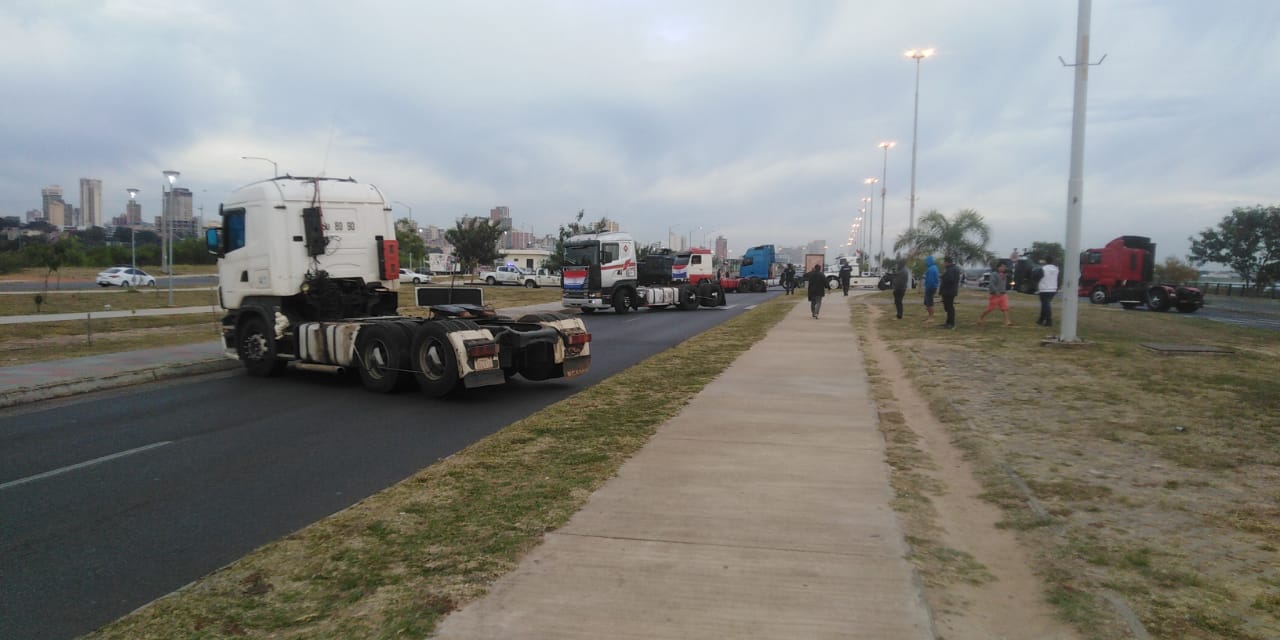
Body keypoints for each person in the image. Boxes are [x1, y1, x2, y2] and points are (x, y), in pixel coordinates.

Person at [977, 262, 1014, 326]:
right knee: (990, 308)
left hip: (1003, 294)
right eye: (1002, 267)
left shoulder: (1004, 275)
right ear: (998, 267)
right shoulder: (994, 274)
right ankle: (980, 318)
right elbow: (992, 284)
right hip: (995, 294)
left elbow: (1010, 273)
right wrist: (995, 291)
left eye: (1004, 267)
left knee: (1005, 307)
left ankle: (1007, 321)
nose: (1003, 268)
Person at [1036, 255, 1060, 327]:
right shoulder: (1056, 269)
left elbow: (1037, 277)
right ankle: (1041, 319)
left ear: (1046, 261)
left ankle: (1048, 320)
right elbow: (1059, 278)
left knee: (1046, 304)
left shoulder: (1043, 268)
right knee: (1045, 304)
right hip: (1053, 288)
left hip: (1044, 288)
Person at [939, 255, 961, 329]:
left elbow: (950, 280)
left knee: (949, 307)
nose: (943, 264)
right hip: (950, 290)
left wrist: (943, 277)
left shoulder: (951, 269)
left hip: (949, 291)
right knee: (948, 307)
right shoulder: (952, 269)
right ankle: (948, 322)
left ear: (947, 262)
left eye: (944, 262)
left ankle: (951, 323)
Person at [922, 255, 940, 324]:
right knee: (927, 302)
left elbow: (931, 280)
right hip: (931, 287)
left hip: (930, 287)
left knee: (929, 303)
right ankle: (930, 316)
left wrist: (928, 287)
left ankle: (931, 318)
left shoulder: (931, 268)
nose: (926, 263)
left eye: (926, 261)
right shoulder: (933, 267)